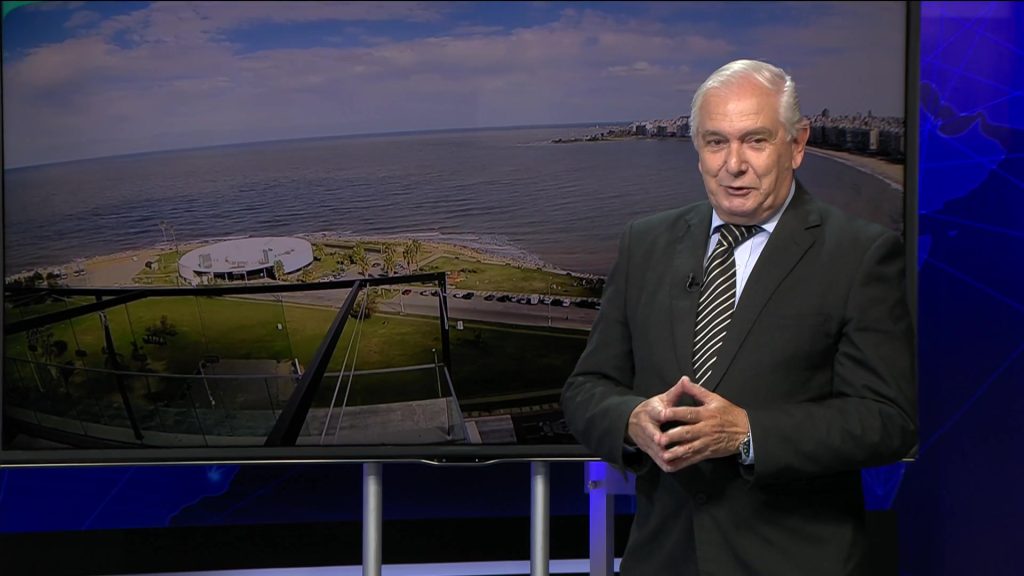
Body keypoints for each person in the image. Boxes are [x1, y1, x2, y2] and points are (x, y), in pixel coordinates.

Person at [561, 59, 917, 576]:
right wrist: (630, 420)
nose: (733, 164)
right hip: (663, 560)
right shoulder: (646, 243)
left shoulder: (860, 254)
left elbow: (887, 420)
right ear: (697, 150)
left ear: (797, 144)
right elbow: (585, 388)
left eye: (755, 140)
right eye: (716, 142)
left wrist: (750, 434)